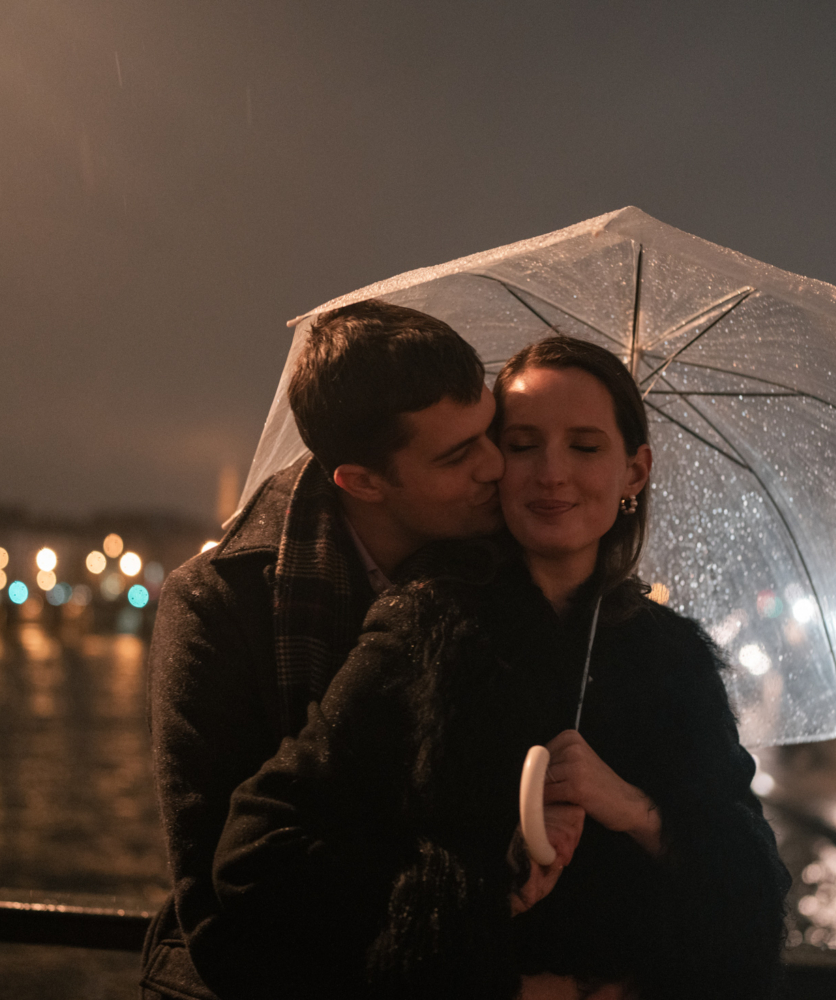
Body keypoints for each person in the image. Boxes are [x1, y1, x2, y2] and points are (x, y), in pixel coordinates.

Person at [212, 336, 791, 999]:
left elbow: (755, 893)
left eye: (585, 445)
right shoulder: (429, 628)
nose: (551, 473)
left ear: (634, 473)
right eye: (523, 444)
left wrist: (632, 809)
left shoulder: (673, 658)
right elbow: (257, 855)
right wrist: (483, 899)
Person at [142, 300, 504, 999]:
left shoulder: (501, 575)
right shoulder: (217, 605)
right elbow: (215, 902)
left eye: (491, 429)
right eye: (458, 455)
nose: (495, 465)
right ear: (362, 481)